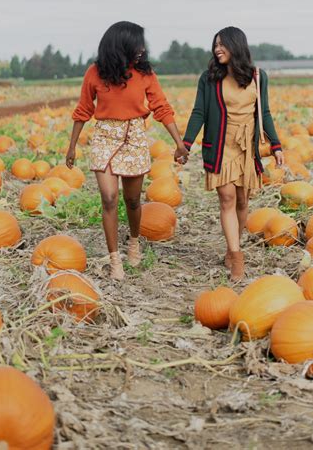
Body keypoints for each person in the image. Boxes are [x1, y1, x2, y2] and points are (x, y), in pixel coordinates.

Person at [66, 21, 188, 280]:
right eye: (137, 44)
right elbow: (83, 110)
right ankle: (114, 260)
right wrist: (72, 146)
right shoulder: (95, 73)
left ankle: (134, 241)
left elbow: (161, 107)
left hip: (133, 137)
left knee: (132, 200)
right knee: (109, 198)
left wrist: (179, 143)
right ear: (121, 45)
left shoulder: (145, 74)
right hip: (104, 137)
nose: (142, 49)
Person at [181, 27, 284, 282]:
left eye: (222, 44)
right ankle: (237, 258)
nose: (217, 49)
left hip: (246, 147)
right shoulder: (209, 78)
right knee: (226, 198)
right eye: (215, 45)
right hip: (219, 146)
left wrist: (276, 145)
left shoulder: (258, 77)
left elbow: (265, 113)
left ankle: (232, 245)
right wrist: (186, 143)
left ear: (236, 46)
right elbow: (198, 112)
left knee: (241, 201)